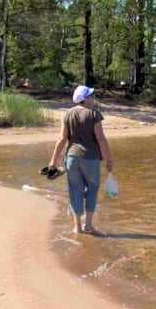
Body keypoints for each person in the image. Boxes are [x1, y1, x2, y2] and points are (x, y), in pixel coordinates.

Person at [47, 84, 113, 236]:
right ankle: (88, 224)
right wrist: (109, 158)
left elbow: (62, 138)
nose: (94, 98)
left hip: (72, 158)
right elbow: (101, 139)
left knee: (75, 191)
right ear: (85, 99)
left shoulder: (67, 114)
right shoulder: (93, 114)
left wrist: (53, 160)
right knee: (92, 190)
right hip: (91, 158)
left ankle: (77, 227)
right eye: (91, 96)